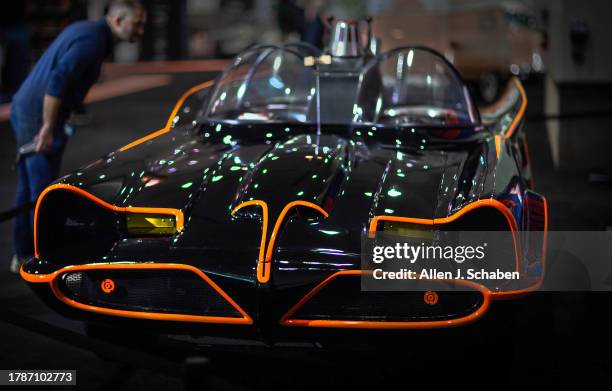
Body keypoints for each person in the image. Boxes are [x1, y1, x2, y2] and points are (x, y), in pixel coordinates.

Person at [9, 0, 146, 272]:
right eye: (138, 23)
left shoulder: (89, 31)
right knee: (41, 190)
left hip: (30, 108)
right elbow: (57, 81)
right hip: (38, 115)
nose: (141, 31)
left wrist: (68, 111)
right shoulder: (92, 41)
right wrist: (47, 127)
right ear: (118, 20)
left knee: (29, 188)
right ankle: (42, 259)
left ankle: (23, 254)